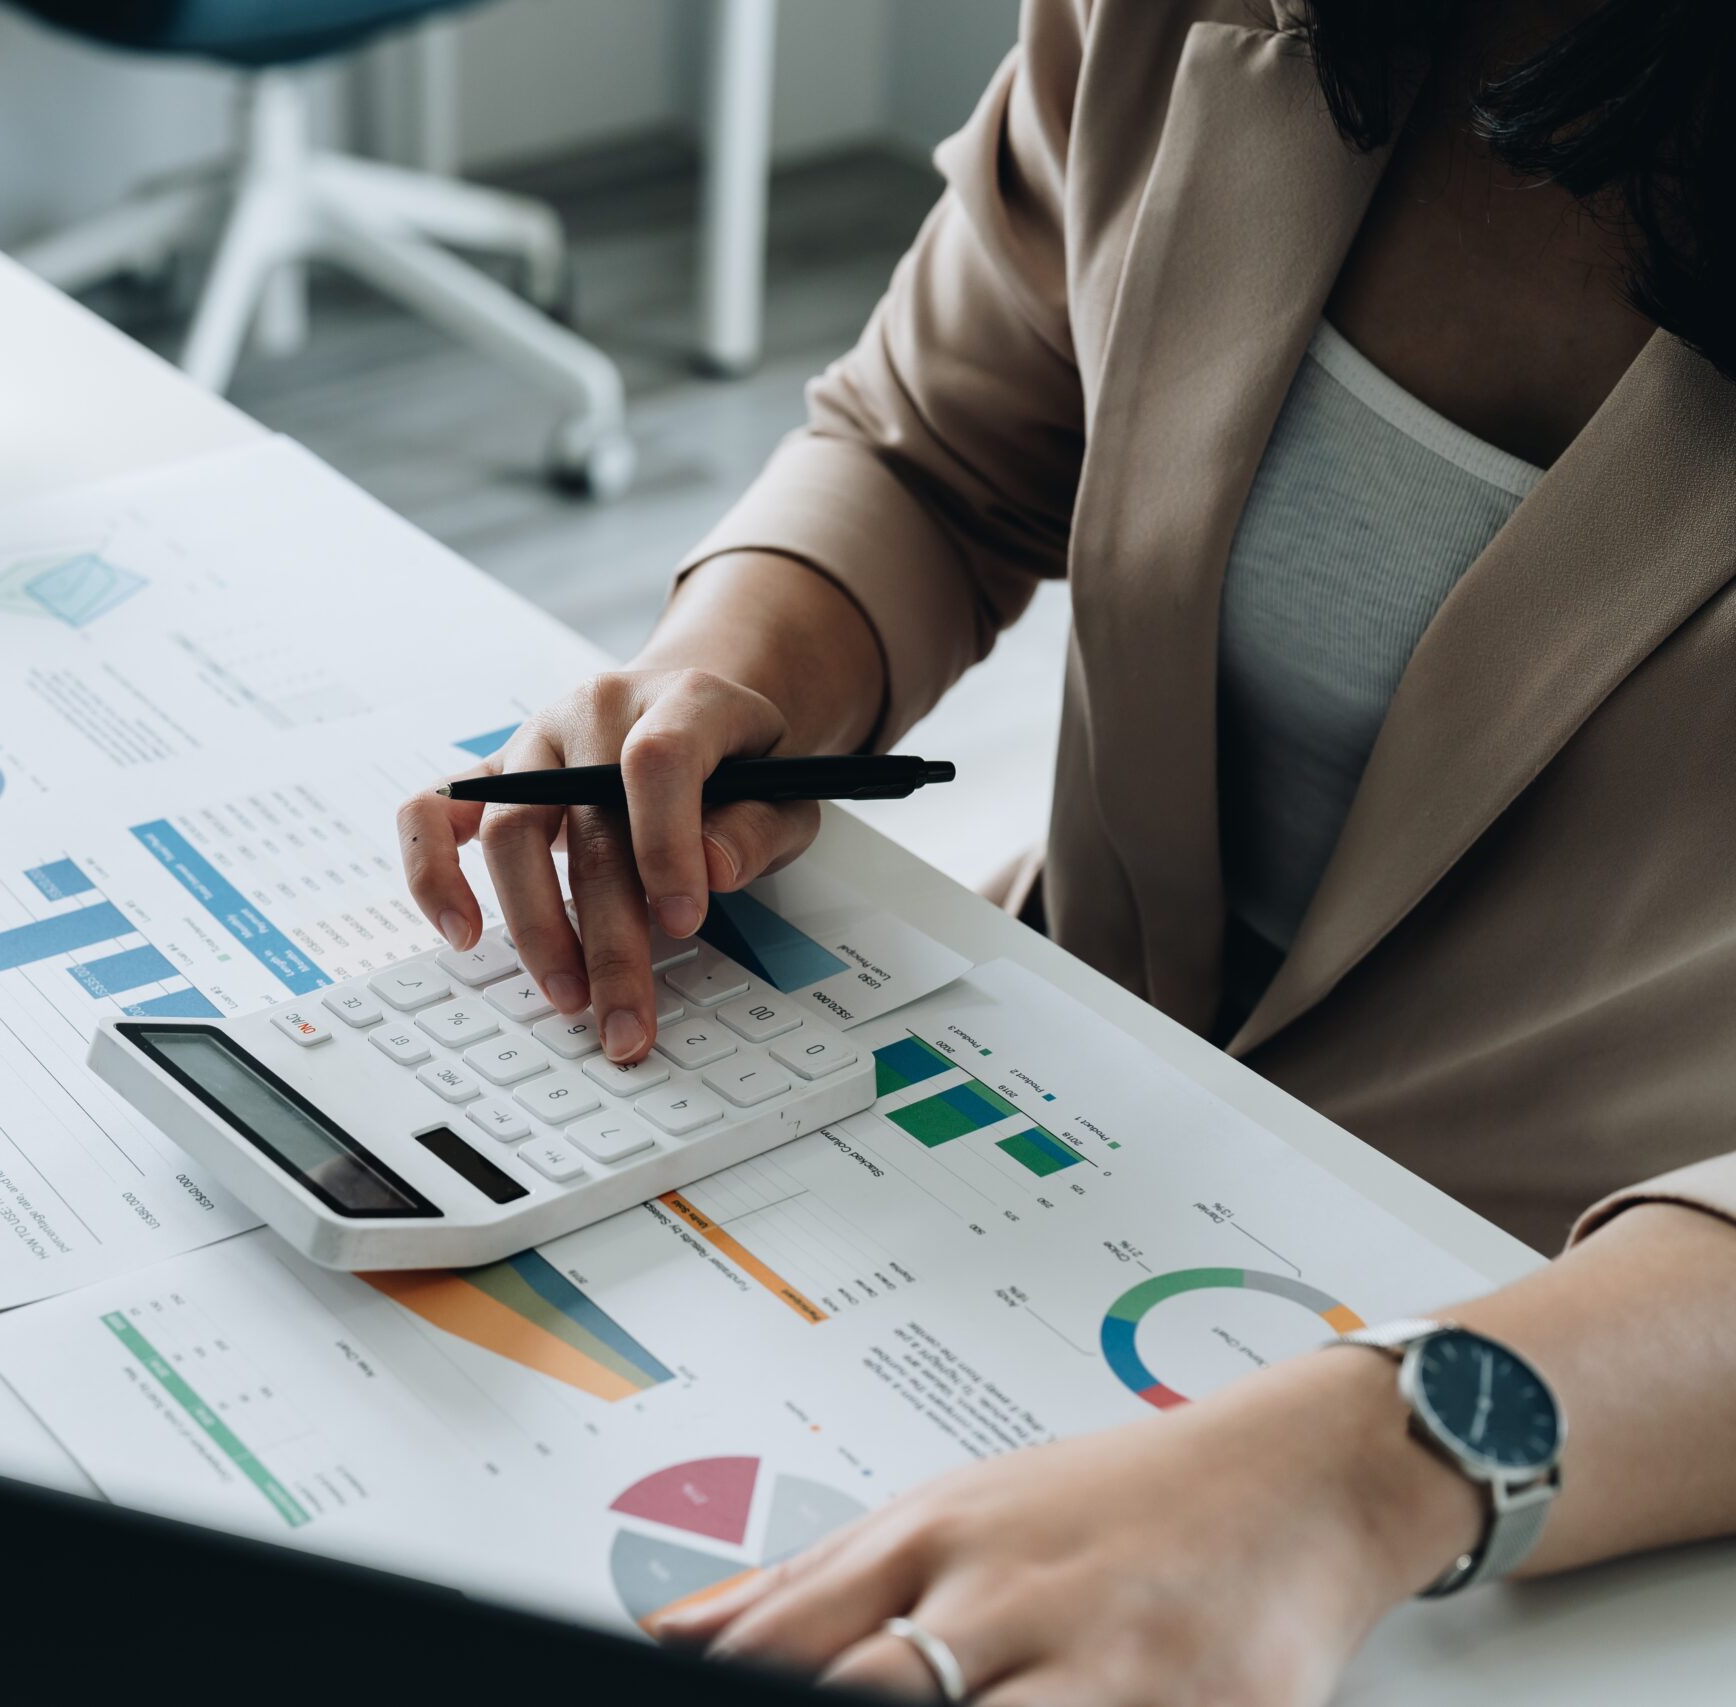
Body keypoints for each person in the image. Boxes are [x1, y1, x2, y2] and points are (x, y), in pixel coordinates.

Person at [397, 1, 1736, 1700]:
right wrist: (731, 670)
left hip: (1597, 1400)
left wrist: (1374, 1454)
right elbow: (934, 452)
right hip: (1035, 1135)